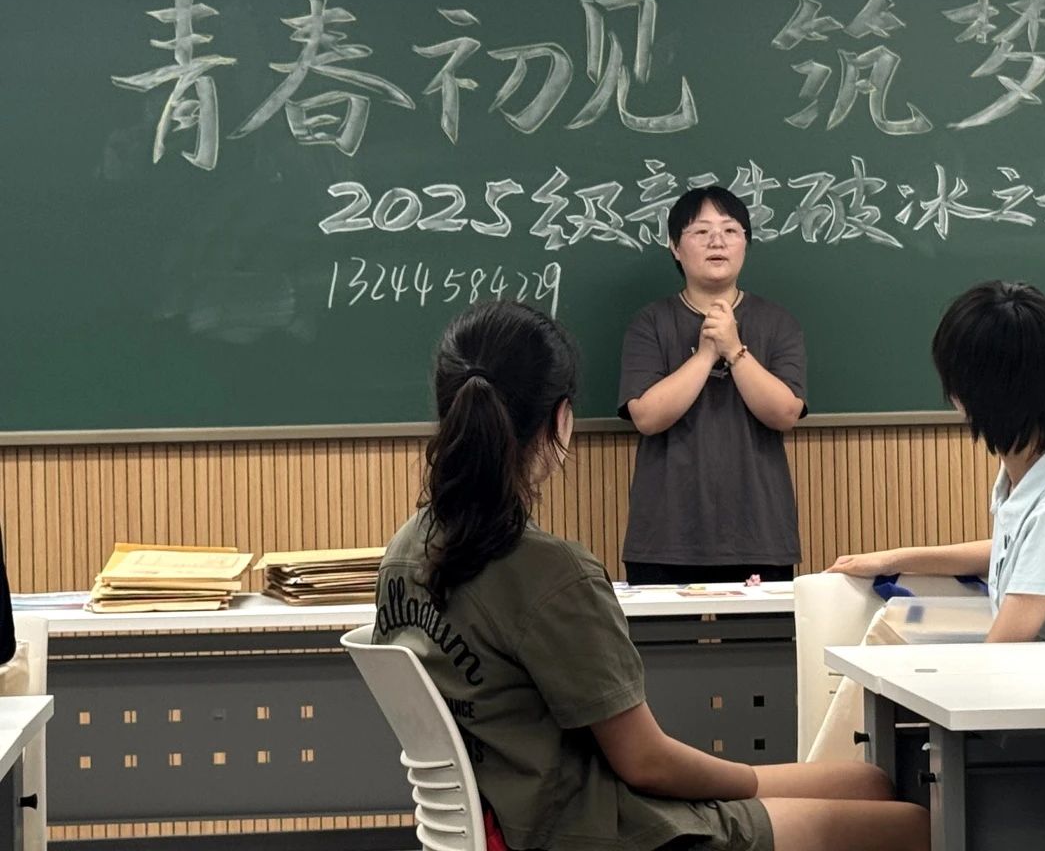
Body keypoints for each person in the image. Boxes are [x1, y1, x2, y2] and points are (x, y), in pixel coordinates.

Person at [375, 301, 927, 851]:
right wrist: (751, 783)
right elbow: (647, 764)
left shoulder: (403, 551)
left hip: (522, 817)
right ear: (561, 419)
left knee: (868, 782)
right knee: (914, 825)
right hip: (608, 830)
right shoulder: (550, 571)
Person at [829, 280, 1045, 643]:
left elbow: (1002, 648)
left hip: (1044, 680)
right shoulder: (1031, 475)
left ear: (967, 395)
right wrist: (893, 559)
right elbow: (1014, 551)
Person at [618, 187, 806, 585]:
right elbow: (646, 416)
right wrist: (706, 354)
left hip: (759, 533)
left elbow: (785, 413)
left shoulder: (778, 322)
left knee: (763, 631)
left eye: (730, 230)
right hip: (665, 536)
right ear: (675, 247)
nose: (717, 241)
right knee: (661, 631)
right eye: (701, 231)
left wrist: (734, 349)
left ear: (745, 244)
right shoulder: (649, 323)